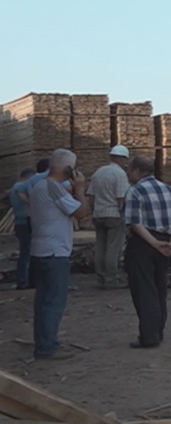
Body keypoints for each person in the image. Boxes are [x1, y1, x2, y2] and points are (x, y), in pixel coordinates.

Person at [28, 149, 90, 360]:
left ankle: (44, 342)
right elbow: (81, 213)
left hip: (40, 250)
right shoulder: (53, 188)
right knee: (54, 301)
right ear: (68, 168)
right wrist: (80, 189)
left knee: (43, 301)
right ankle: (47, 347)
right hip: (55, 252)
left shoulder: (39, 185)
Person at [122, 155, 171, 348]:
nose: (127, 173)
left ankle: (149, 336)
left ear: (137, 171)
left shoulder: (135, 191)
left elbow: (134, 223)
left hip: (144, 243)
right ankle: (158, 331)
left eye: (129, 170)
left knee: (144, 289)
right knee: (159, 289)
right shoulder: (170, 190)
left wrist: (154, 242)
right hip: (165, 241)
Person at [86, 145, 131, 288]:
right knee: (113, 247)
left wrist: (94, 211)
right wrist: (126, 217)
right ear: (123, 159)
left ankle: (100, 277)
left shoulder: (99, 172)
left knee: (100, 246)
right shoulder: (120, 174)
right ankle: (111, 278)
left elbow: (91, 195)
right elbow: (121, 198)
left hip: (99, 214)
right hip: (114, 215)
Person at [8, 159, 47, 289]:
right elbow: (30, 201)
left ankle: (26, 279)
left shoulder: (15, 188)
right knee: (27, 253)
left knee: (27, 252)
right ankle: (24, 280)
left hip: (20, 222)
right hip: (24, 222)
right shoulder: (19, 187)